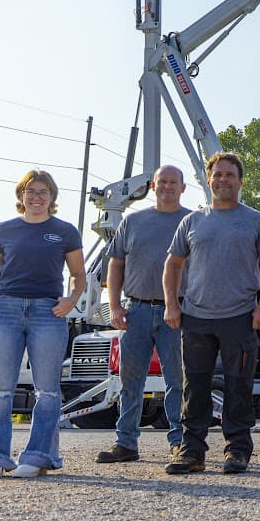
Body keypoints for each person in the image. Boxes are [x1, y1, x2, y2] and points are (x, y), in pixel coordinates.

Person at [163, 152, 260, 476]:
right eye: (217, 175)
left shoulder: (256, 221)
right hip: (197, 317)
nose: (223, 180)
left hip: (240, 316)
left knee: (238, 385)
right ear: (208, 179)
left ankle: (238, 449)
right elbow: (172, 264)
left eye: (230, 175)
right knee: (195, 385)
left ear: (240, 180)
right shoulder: (193, 221)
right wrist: (172, 304)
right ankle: (192, 452)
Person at [0, 170, 87, 478]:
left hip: (47, 313)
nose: (37, 197)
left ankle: (39, 456)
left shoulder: (64, 231)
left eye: (43, 192)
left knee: (47, 391)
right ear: (21, 195)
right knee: (0, 390)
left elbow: (78, 274)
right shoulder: (4, 230)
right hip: (4, 311)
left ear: (52, 198)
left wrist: (71, 299)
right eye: (31, 191)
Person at [96, 164, 187, 465]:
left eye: (173, 182)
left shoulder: (192, 220)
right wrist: (115, 306)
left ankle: (180, 442)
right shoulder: (132, 222)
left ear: (183, 188)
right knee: (130, 380)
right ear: (152, 186)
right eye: (162, 182)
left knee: (177, 380)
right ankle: (126, 444)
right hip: (135, 310)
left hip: (177, 311)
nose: (167, 187)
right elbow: (115, 265)